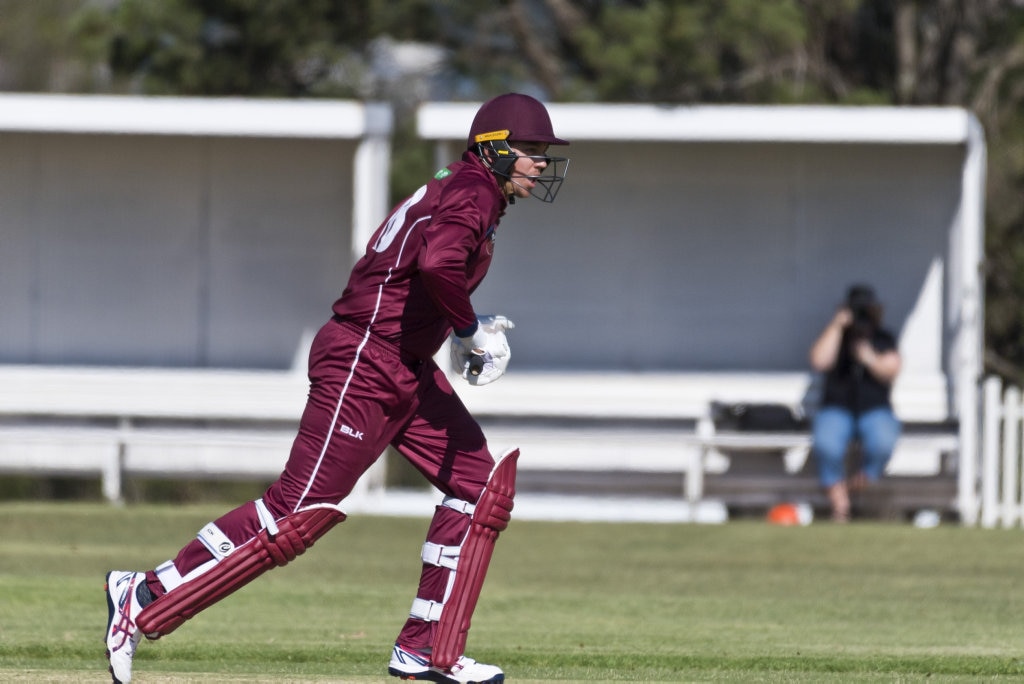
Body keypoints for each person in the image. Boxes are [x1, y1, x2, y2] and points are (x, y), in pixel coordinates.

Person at [103, 92, 570, 684]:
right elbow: (437, 265)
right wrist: (469, 329)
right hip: (362, 361)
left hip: (402, 362)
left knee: (480, 490)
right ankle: (142, 595)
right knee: (296, 514)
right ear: (496, 148)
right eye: (531, 151)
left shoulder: (469, 188)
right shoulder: (473, 191)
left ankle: (427, 651)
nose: (540, 163)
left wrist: (450, 334)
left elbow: (422, 269)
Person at [808, 284, 902, 522]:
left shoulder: (883, 338)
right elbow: (819, 361)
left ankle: (861, 481)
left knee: (882, 440)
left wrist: (869, 357)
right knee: (826, 443)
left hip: (874, 409)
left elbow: (892, 369)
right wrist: (837, 325)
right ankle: (840, 503)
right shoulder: (836, 337)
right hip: (837, 408)